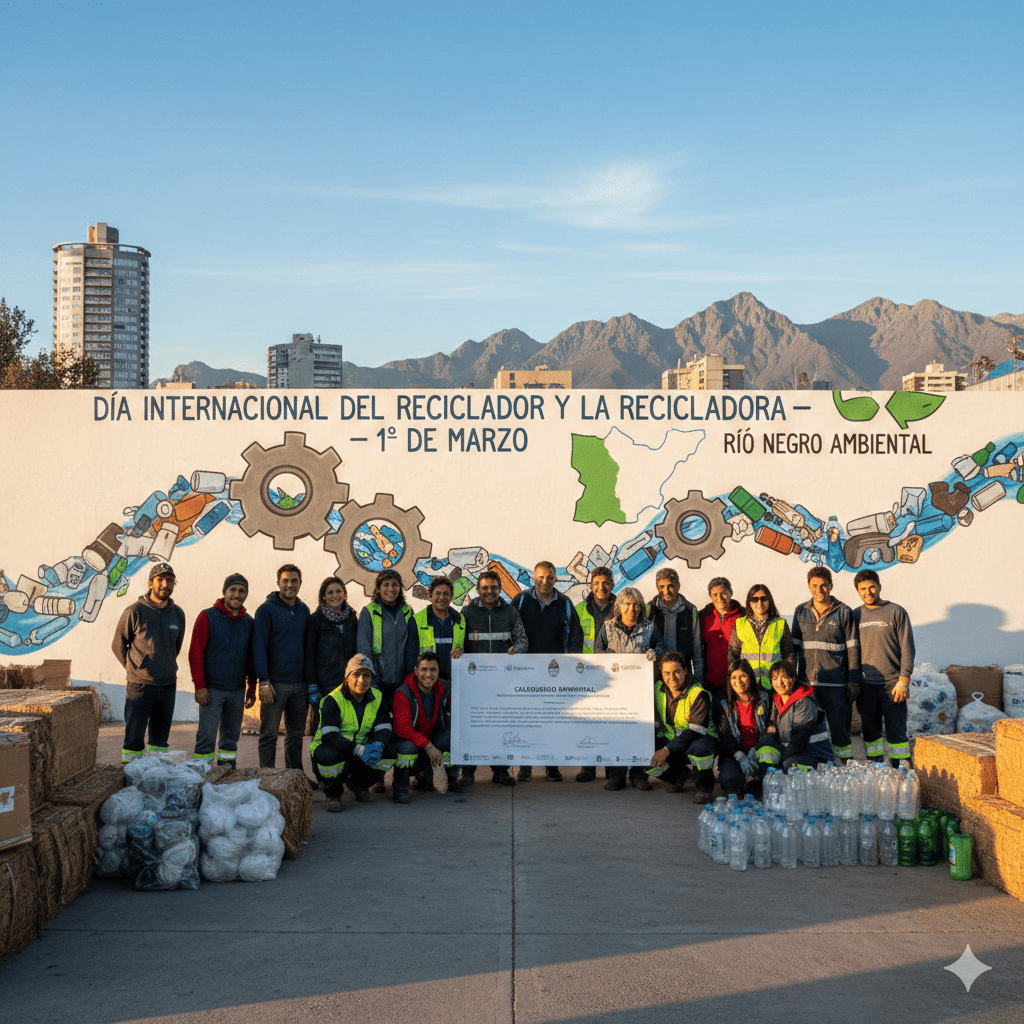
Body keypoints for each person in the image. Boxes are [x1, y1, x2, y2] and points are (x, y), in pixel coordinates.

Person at [511, 560, 584, 781]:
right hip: (526, 672)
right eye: (541, 577)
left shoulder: (565, 603)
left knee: (553, 720)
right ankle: (525, 766)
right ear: (534, 578)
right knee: (526, 719)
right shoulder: (520, 600)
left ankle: (552, 766)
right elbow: (509, 628)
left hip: (555, 673)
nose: (545, 581)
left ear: (555, 579)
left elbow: (575, 636)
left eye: (550, 577)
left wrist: (571, 666)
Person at [459, 569, 528, 787]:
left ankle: (500, 770)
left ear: (500, 589)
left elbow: (523, 640)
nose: (490, 592)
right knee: (473, 726)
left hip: (502, 683)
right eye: (485, 588)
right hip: (474, 682)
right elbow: (457, 642)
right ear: (478, 590)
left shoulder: (510, 612)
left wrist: (517, 649)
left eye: (494, 588)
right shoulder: (466, 613)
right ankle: (468, 770)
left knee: (500, 726)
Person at [113, 562, 186, 763]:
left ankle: (156, 777)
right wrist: (135, 669)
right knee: (134, 739)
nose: (165, 584)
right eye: (160, 580)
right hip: (140, 686)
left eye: (170, 581)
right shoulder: (134, 611)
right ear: (150, 583)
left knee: (160, 741)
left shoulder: (178, 614)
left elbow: (175, 646)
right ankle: (129, 779)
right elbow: (118, 645)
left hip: (167, 684)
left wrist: (165, 664)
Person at [596, 587, 665, 791]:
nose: (631, 608)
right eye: (627, 604)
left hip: (641, 691)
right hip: (615, 690)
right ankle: (617, 775)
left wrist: (656, 653)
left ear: (641, 608)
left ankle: (639, 775)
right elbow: (597, 651)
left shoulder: (650, 628)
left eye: (636, 605)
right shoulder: (607, 627)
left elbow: (662, 646)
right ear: (619, 606)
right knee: (616, 731)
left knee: (641, 731)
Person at [308, 654, 395, 812]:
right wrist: (360, 750)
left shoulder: (378, 697)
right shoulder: (332, 700)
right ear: (346, 677)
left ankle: (359, 785)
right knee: (329, 757)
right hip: (333, 749)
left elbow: (384, 728)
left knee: (389, 752)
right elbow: (329, 736)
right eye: (356, 674)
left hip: (359, 751)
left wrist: (378, 744)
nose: (361, 680)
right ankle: (333, 794)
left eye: (366, 675)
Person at [791, 566, 861, 762]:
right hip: (808, 686)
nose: (819, 590)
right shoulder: (801, 611)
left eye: (823, 586)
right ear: (808, 586)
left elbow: (853, 649)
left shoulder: (844, 612)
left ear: (831, 586)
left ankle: (844, 768)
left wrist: (853, 681)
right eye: (815, 586)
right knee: (810, 730)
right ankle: (816, 765)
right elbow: (793, 647)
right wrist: (793, 680)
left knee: (840, 731)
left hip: (836, 686)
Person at [188, 572, 256, 770]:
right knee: (206, 737)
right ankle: (201, 774)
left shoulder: (249, 622)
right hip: (212, 690)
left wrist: (252, 688)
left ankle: (227, 773)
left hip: (236, 690)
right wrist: (199, 686)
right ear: (224, 592)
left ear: (246, 595)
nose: (237, 594)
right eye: (232, 590)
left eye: (242, 591)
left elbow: (252, 658)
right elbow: (195, 653)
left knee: (231, 739)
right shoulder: (207, 616)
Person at [853, 569, 914, 766]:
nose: (868, 592)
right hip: (866, 686)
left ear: (879, 586)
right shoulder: (855, 615)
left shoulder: (896, 611)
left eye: (871, 587)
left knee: (896, 734)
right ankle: (876, 772)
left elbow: (907, 648)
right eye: (862, 589)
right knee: (871, 735)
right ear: (857, 591)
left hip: (892, 685)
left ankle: (901, 773)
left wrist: (904, 681)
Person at [253, 564, 310, 772]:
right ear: (278, 583)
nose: (290, 585)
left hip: (299, 685)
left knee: (296, 735)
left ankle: (294, 777)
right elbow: (259, 646)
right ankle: (267, 776)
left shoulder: (304, 610)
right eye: (285, 581)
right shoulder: (266, 610)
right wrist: (264, 680)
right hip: (275, 684)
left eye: (294, 580)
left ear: (300, 583)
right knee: (269, 734)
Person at [391, 651, 461, 803]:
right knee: (407, 748)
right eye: (424, 669)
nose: (428, 674)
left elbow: (465, 689)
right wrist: (428, 746)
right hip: (411, 745)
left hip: (431, 742)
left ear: (438, 671)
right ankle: (401, 788)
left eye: (433, 669)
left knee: (454, 738)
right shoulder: (403, 694)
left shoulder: (442, 687)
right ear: (416, 671)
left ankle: (450, 778)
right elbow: (402, 729)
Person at [648, 651, 718, 803]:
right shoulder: (657, 689)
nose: (671, 678)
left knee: (700, 750)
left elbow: (695, 731)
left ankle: (704, 788)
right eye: (667, 673)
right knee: (642, 754)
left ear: (686, 671)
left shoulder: (698, 694)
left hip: (701, 739)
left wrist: (665, 750)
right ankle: (678, 776)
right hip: (674, 740)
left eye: (677, 672)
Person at [304, 576, 358, 735]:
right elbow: (309, 654)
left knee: (347, 730)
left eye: (339, 591)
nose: (335, 595)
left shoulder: (352, 619)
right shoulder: (315, 620)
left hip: (348, 685)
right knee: (324, 731)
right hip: (324, 685)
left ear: (345, 594)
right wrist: (312, 686)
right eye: (330, 592)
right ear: (323, 596)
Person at [758, 660, 836, 770]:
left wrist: (779, 763)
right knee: (764, 744)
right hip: (793, 753)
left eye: (784, 677)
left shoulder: (804, 703)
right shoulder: (777, 702)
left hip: (816, 756)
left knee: (789, 766)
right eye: (775, 678)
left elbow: (799, 739)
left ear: (793, 679)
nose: (779, 682)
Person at [712, 659, 773, 797]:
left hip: (759, 751)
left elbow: (770, 728)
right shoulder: (722, 702)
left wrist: (755, 751)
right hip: (733, 752)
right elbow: (724, 735)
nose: (738, 681)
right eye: (734, 677)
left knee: (762, 787)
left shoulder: (764, 698)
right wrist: (740, 757)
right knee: (731, 784)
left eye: (743, 676)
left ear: (751, 677)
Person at [356, 568, 418, 704]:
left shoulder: (407, 612)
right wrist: (371, 681)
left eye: (395, 584)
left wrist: (410, 679)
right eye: (386, 585)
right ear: (378, 589)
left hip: (403, 682)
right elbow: (364, 650)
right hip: (377, 682)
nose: (391, 589)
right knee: (381, 723)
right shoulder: (369, 612)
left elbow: (412, 646)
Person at [728, 583, 796, 690]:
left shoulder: (780, 623)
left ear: (769, 601)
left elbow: (789, 653)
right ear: (749, 602)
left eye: (764, 599)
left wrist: (787, 678)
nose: (759, 603)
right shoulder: (740, 624)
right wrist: (737, 680)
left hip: (775, 684)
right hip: (748, 684)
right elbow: (733, 655)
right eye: (755, 599)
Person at [645, 567, 705, 688]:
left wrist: (699, 682)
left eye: (670, 586)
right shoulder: (648, 610)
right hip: (656, 675)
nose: (666, 591)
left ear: (678, 586)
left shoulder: (690, 610)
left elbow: (697, 650)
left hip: (682, 676)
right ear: (657, 587)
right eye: (661, 586)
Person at [413, 576, 466, 683]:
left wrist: (462, 652)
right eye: (438, 593)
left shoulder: (460, 620)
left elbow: (465, 648)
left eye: (446, 594)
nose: (442, 597)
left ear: (451, 597)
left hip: (453, 681)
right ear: (430, 595)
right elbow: (411, 656)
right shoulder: (417, 620)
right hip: (427, 682)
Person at [698, 576, 743, 698]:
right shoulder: (702, 616)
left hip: (737, 681)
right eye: (715, 595)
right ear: (710, 596)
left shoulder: (743, 615)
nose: (720, 598)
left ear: (731, 593)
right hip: (710, 681)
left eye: (724, 593)